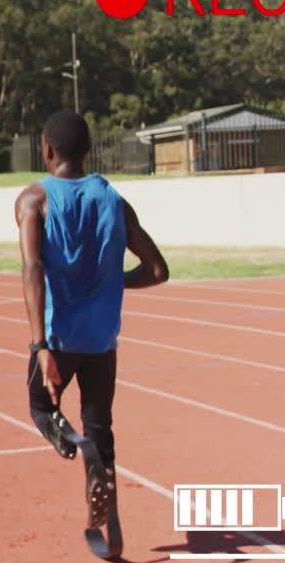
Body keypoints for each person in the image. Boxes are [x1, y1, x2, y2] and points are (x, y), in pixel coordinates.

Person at [13, 110, 169, 530]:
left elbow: (33, 270)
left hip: (59, 340)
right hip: (102, 342)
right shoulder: (114, 201)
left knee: (41, 408)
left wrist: (39, 346)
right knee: (100, 425)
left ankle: (68, 437)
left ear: (47, 150)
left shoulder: (34, 200)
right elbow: (157, 271)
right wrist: (110, 284)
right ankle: (102, 489)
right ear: (87, 151)